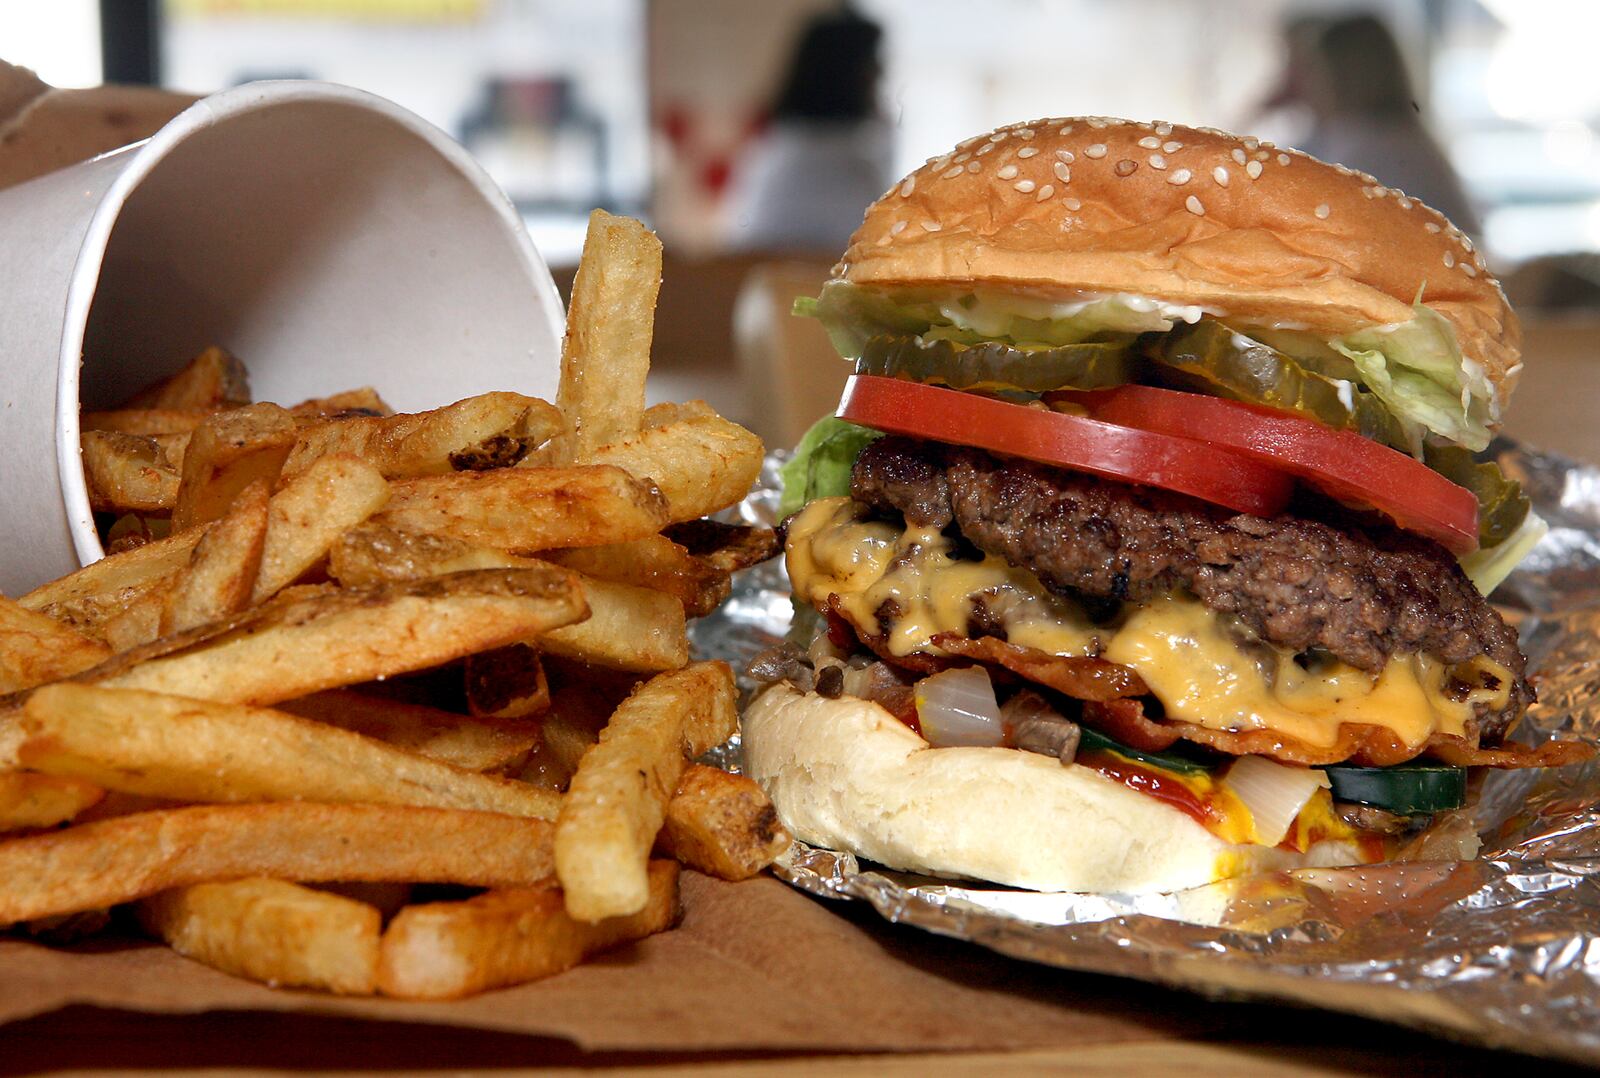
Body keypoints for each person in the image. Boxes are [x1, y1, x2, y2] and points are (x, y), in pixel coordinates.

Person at [1262, 13, 1481, 237]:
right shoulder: (1379, 136)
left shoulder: (1374, 147)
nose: (1301, 84)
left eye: (1311, 70)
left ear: (1339, 76)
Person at [725, 9, 895, 252]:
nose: (878, 75)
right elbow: (876, 249)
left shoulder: (778, 144)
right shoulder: (841, 164)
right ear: (846, 76)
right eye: (872, 65)